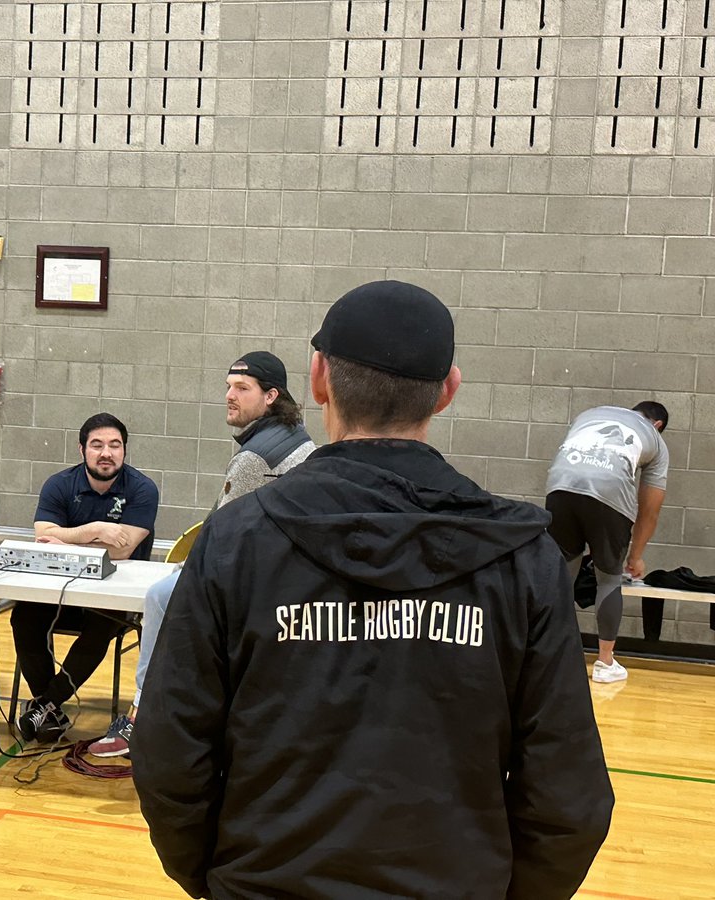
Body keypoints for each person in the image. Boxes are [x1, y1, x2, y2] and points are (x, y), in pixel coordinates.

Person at [134, 281, 614, 899]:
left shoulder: (236, 540)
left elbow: (170, 749)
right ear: (447, 391)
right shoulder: (526, 560)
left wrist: (212, 876)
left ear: (317, 380)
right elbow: (568, 790)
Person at [90, 351, 315, 758]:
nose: (229, 395)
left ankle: (143, 713)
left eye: (241, 388)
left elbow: (223, 537)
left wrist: (186, 567)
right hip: (283, 575)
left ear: (270, 396)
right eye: (228, 386)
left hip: (258, 583)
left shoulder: (255, 456)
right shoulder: (295, 435)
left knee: (161, 596)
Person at [11, 412, 159, 744]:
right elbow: (42, 535)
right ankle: (50, 709)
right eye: (97, 445)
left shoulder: (143, 489)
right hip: (60, 589)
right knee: (23, 617)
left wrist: (65, 538)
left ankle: (45, 705)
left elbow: (121, 551)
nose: (106, 453)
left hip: (115, 594)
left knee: (102, 624)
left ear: (124, 450)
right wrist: (95, 530)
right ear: (82, 450)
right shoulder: (59, 485)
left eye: (115, 445)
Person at [546, 401, 669, 683]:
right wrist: (635, 556)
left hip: (560, 487)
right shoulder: (656, 442)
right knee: (609, 579)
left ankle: (551, 655)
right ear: (658, 426)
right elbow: (650, 509)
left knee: (561, 576)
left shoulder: (590, 413)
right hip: (609, 494)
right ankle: (605, 662)